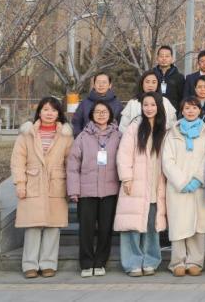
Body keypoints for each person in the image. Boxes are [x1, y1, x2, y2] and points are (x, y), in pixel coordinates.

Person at [12, 96, 74, 279]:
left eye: (54, 110)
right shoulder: (27, 134)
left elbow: (70, 162)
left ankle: (48, 264)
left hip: (56, 183)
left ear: (59, 113)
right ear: (39, 112)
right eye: (46, 109)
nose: (49, 113)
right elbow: (17, 161)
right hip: (33, 183)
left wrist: (71, 186)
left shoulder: (66, 135)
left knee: (53, 227)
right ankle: (29, 265)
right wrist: (20, 183)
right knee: (32, 226)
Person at [115, 92, 168, 276]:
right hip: (136, 184)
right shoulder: (135, 127)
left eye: (153, 105)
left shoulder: (164, 129)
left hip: (156, 186)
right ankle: (132, 263)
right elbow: (124, 154)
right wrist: (126, 178)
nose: (149, 108)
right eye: (146, 105)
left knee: (152, 226)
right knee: (132, 225)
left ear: (158, 107)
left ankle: (150, 260)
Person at [162, 96, 205, 277]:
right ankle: (177, 262)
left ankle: (195, 262)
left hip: (199, 187)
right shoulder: (172, 133)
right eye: (187, 108)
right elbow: (167, 160)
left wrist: (198, 179)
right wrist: (181, 182)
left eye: (194, 108)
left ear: (200, 110)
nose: (191, 111)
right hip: (178, 188)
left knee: (198, 226)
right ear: (182, 111)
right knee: (179, 225)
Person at [67, 100, 122, 277]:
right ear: (91, 115)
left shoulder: (118, 136)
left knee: (106, 229)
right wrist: (74, 190)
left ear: (110, 114)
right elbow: (73, 166)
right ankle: (86, 263)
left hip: (110, 191)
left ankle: (100, 262)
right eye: (97, 111)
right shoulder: (83, 137)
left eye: (104, 111)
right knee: (86, 229)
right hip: (86, 191)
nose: (101, 114)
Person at [71, 72, 124, 137]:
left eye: (104, 82)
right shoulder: (85, 103)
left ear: (110, 85)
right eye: (98, 82)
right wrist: (80, 137)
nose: (101, 85)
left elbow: (122, 126)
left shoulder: (117, 104)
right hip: (86, 139)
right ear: (94, 85)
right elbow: (76, 122)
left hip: (111, 140)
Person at [149, 45, 185, 111]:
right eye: (161, 56)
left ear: (172, 58)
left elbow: (182, 98)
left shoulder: (179, 77)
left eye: (167, 56)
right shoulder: (150, 75)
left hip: (173, 112)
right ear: (157, 58)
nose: (164, 58)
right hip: (152, 111)